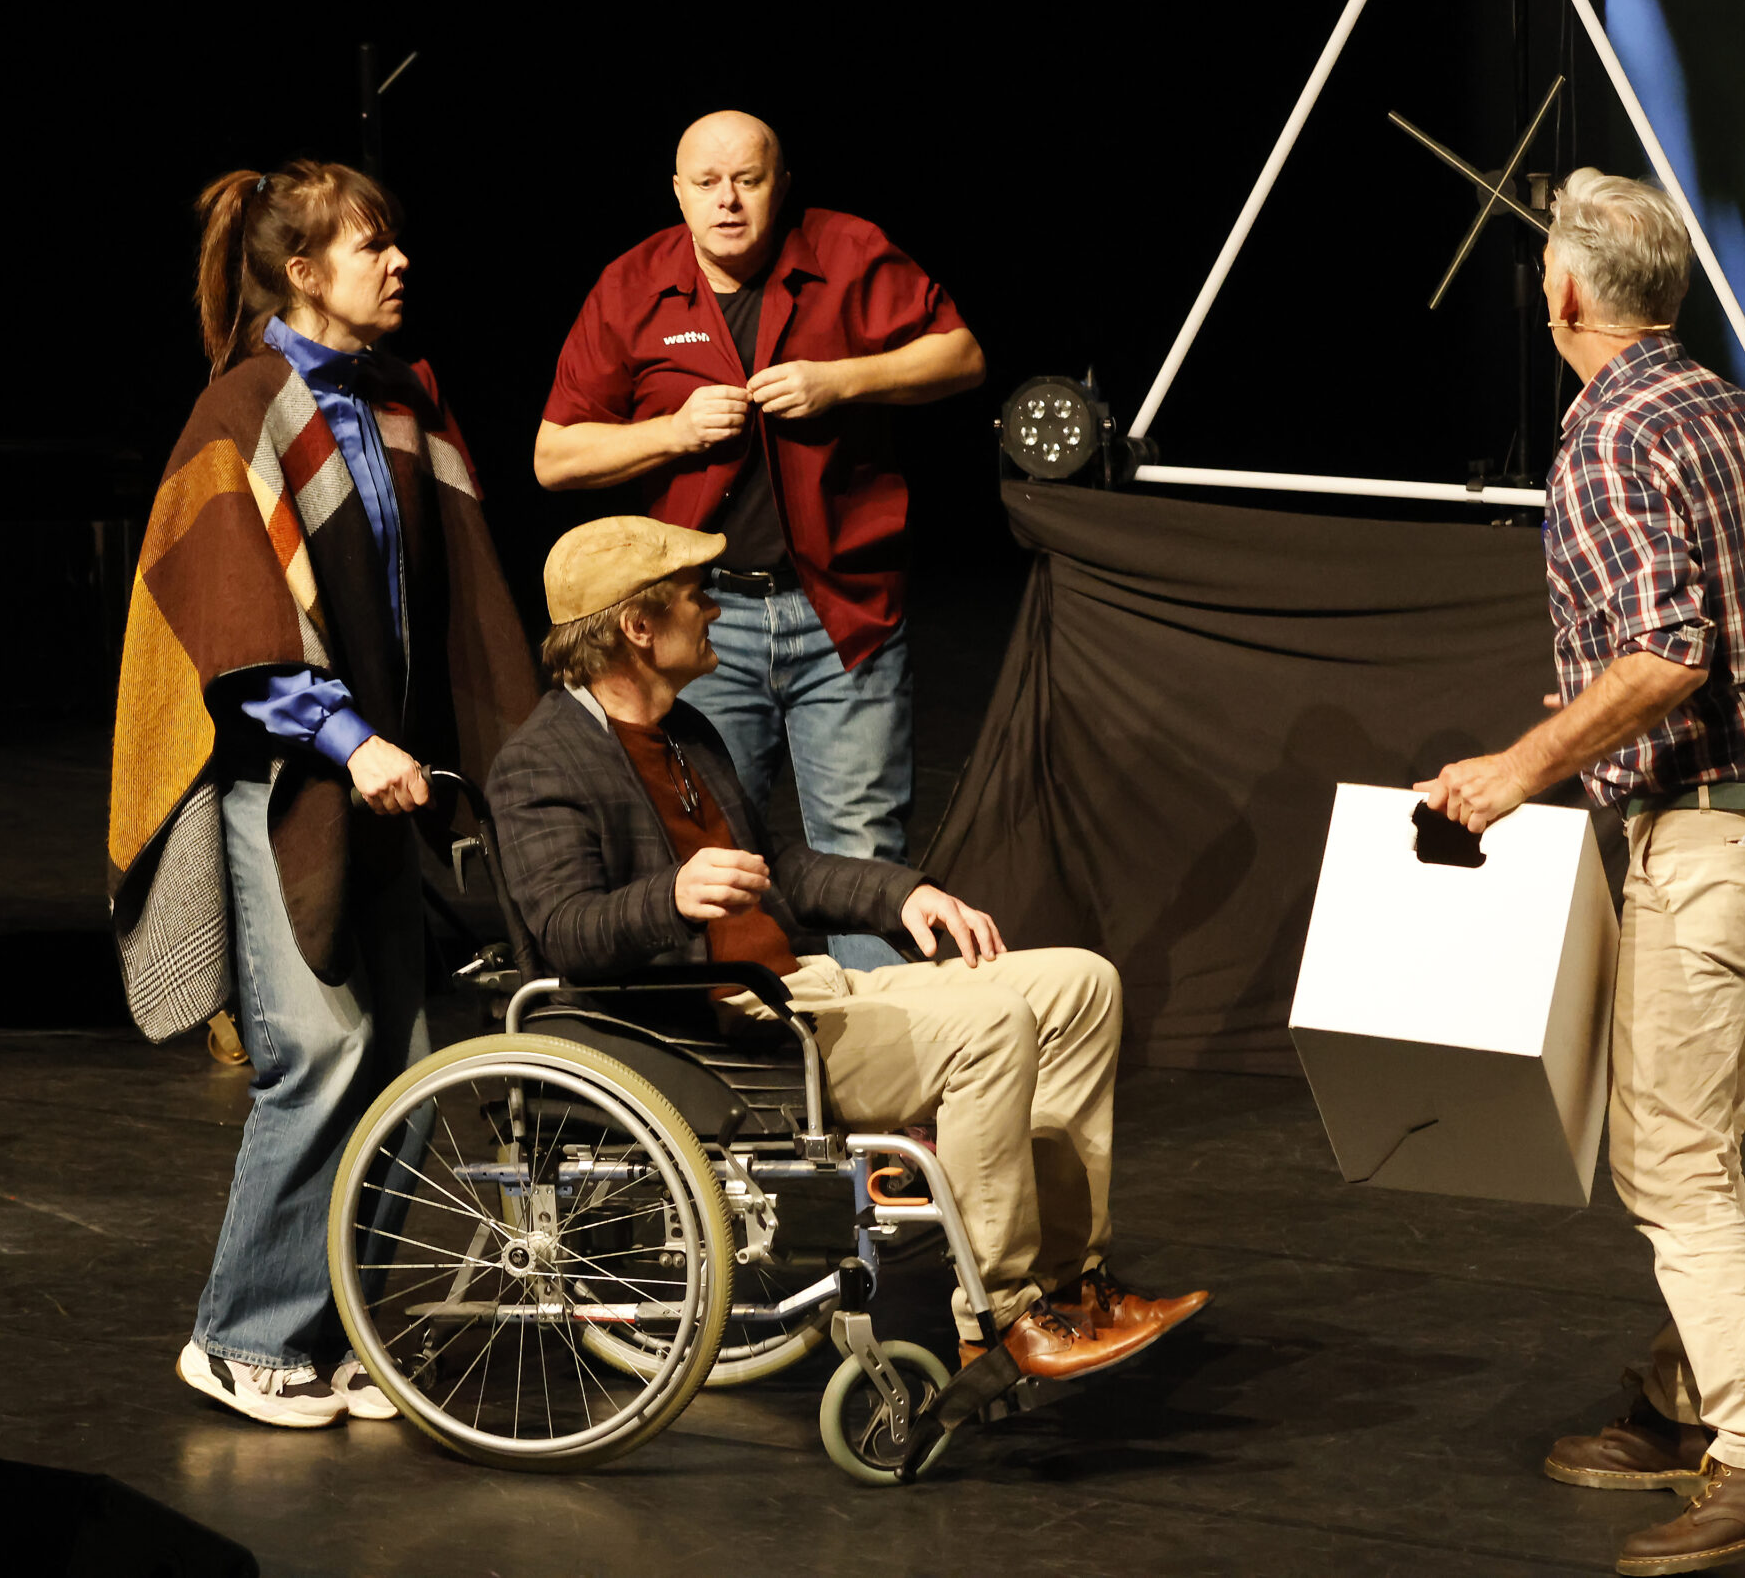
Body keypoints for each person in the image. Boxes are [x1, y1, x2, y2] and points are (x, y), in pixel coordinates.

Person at [487, 515, 1207, 1380]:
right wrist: (669, 897)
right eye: (693, 597)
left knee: (1082, 983)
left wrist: (907, 893)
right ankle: (1003, 1314)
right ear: (637, 627)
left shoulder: (689, 734)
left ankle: (1075, 1281)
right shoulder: (542, 763)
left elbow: (782, 868)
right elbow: (564, 929)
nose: (713, 610)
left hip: (803, 986)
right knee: (993, 1024)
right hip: (711, 1029)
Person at [1415, 171, 1745, 1574]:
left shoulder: (1607, 438)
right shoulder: (1737, 410)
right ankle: (1684, 1394)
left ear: (1565, 293)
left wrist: (1515, 769)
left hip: (1716, 828)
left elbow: (1669, 650)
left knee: (1667, 1156)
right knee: (1695, 1131)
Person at [108, 159, 538, 1430]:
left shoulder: (399, 401)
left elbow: (452, 599)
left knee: (403, 1056)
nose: (398, 263)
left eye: (394, 242)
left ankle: (327, 1327)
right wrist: (346, 738)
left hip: (387, 780)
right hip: (288, 777)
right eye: (371, 245)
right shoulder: (245, 406)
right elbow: (230, 619)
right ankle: (238, 1336)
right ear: (303, 272)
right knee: (325, 1048)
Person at [531, 111, 983, 970]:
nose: (728, 201)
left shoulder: (846, 252)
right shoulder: (633, 286)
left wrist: (842, 380)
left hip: (842, 612)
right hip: (699, 626)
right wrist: (673, 431)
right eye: (706, 184)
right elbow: (554, 456)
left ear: (782, 184)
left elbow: (959, 355)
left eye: (748, 180)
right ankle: (724, 1077)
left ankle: (882, 1088)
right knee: (699, 856)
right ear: (678, 192)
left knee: (861, 854)